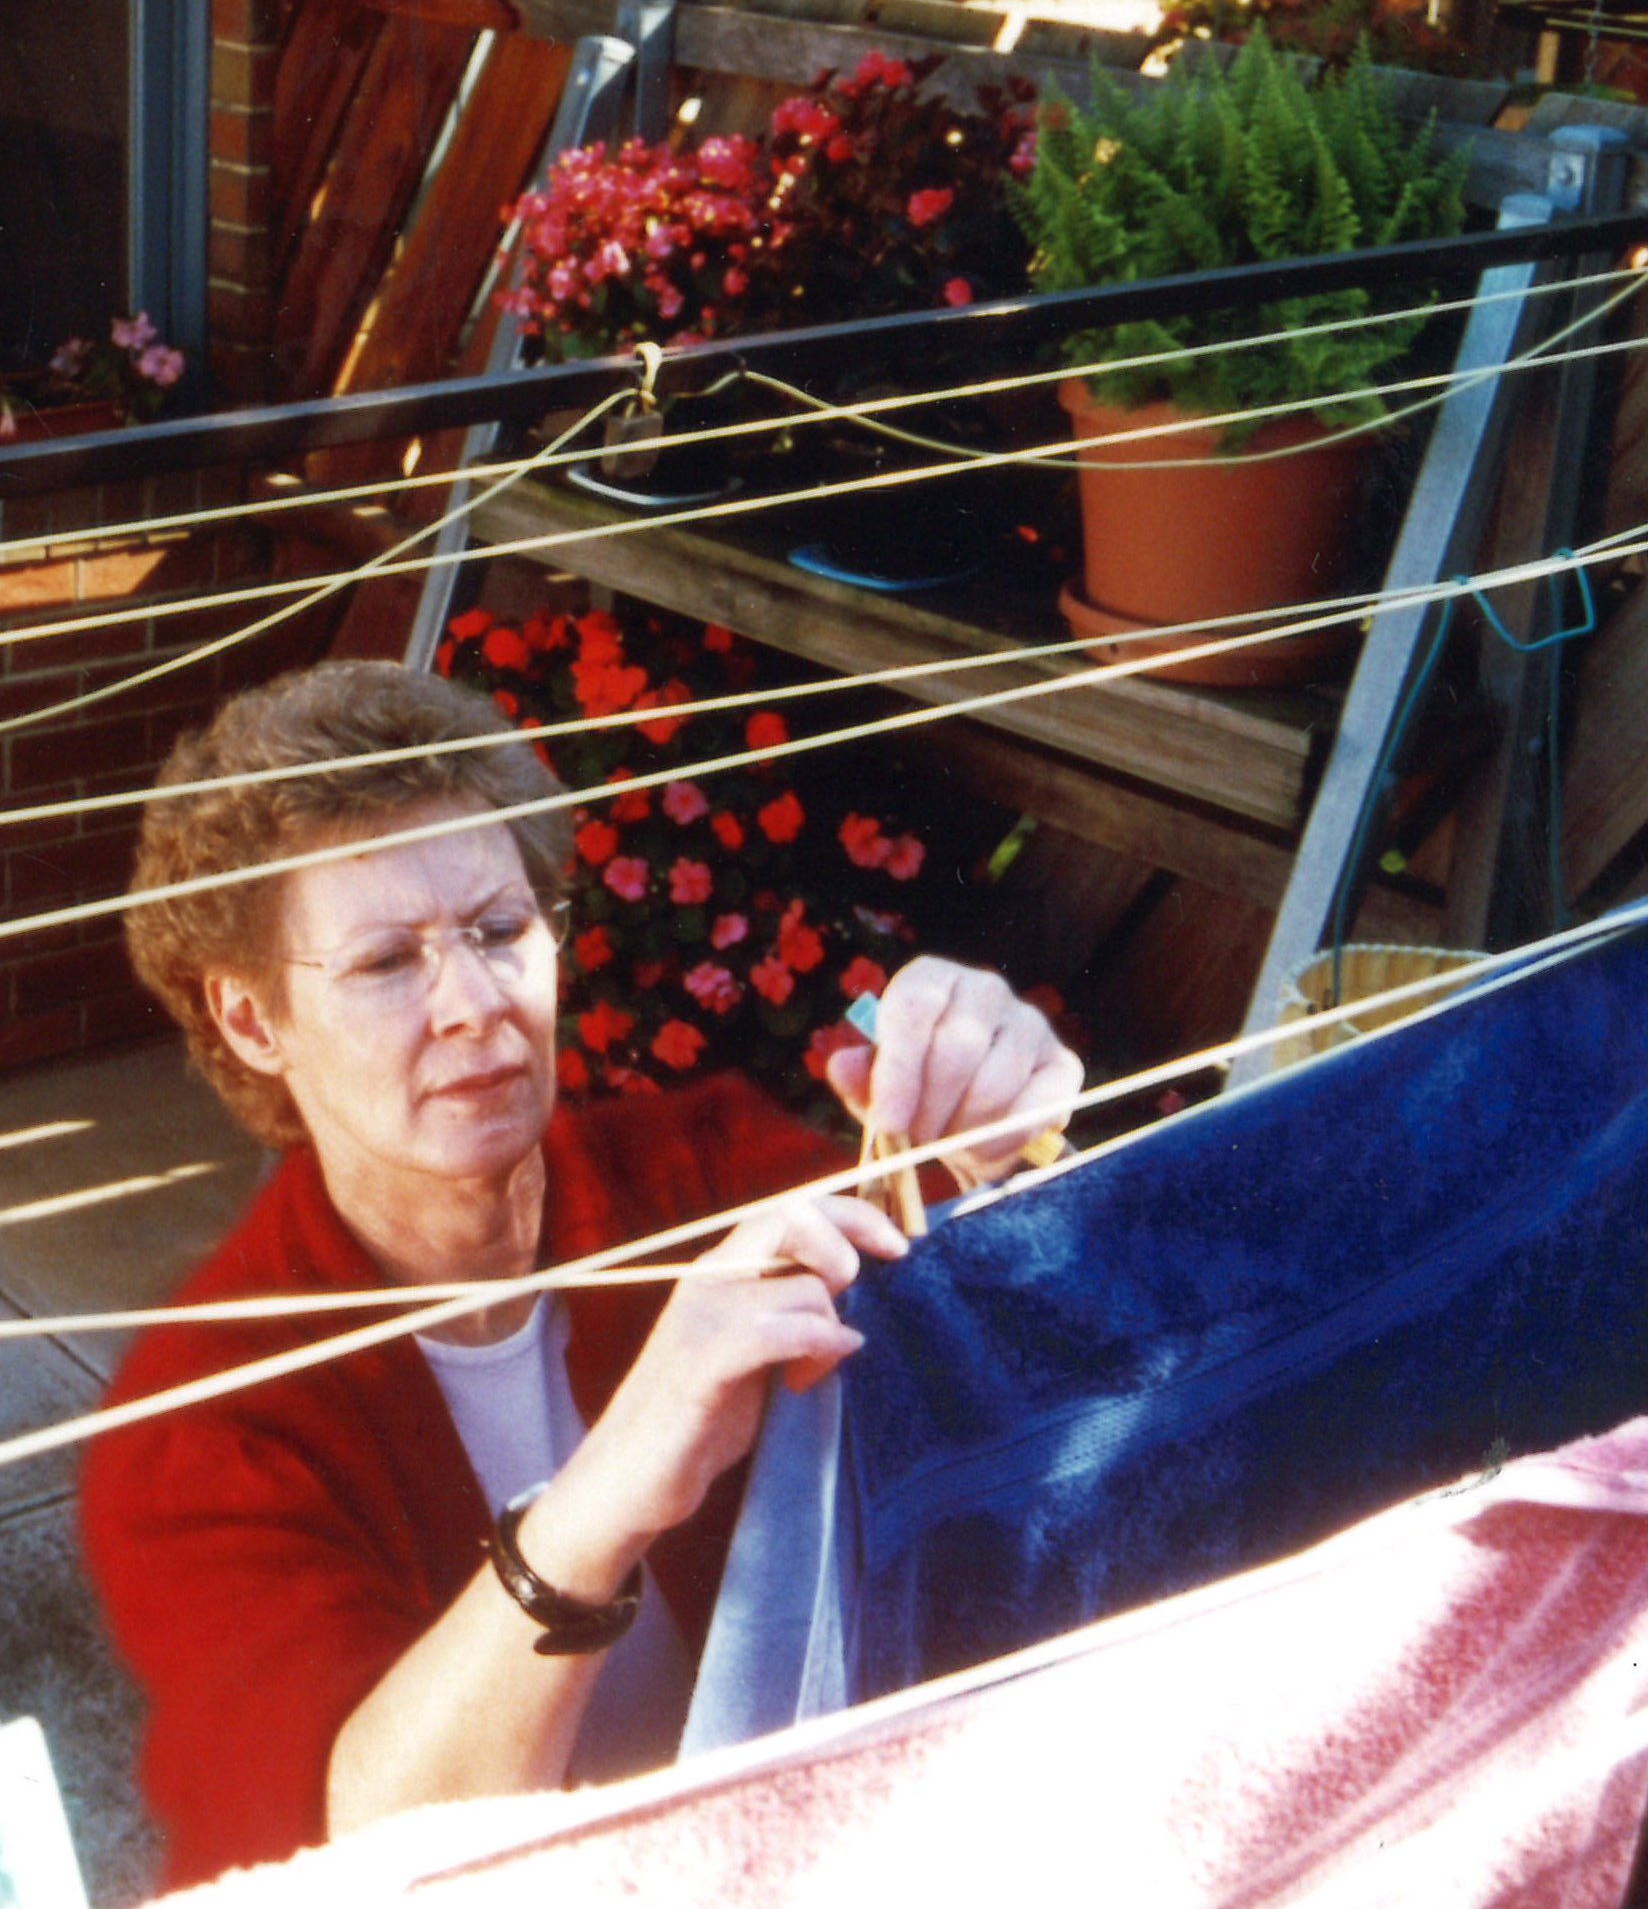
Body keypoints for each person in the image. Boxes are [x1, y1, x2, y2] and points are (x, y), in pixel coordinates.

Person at [74, 661, 1080, 1887]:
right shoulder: (199, 1425)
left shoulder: (694, 1169)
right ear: (249, 1022)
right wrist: (601, 1498)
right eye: (388, 963)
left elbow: (993, 1325)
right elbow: (351, 1852)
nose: (474, 1004)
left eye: (500, 932)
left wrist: (988, 1137)